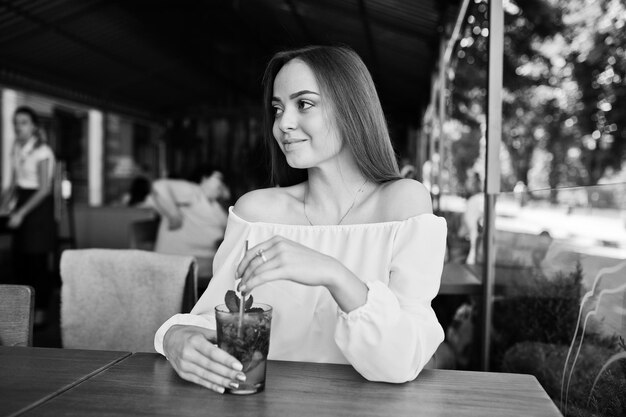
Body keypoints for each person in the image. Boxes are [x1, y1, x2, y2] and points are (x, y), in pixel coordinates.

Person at [154, 46, 447, 393]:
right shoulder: (256, 213)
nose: (283, 124)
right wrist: (175, 336)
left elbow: (402, 361)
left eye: (303, 104)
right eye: (277, 109)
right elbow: (220, 318)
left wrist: (332, 273)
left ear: (352, 107)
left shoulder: (403, 203)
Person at [0, 106, 56, 325]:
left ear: (33, 126)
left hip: (38, 207)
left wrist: (21, 213)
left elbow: (44, 189)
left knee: (37, 263)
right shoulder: (16, 147)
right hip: (23, 199)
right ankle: (23, 312)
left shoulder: (43, 151)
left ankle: (40, 314)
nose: (18, 126)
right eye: (16, 122)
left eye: (23, 122)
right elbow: (14, 183)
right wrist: (4, 205)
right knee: (19, 261)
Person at [151, 167, 230, 278]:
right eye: (218, 178)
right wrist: (174, 215)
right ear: (204, 179)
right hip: (181, 262)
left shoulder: (214, 203)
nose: (222, 183)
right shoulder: (194, 191)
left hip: (204, 260)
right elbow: (159, 186)